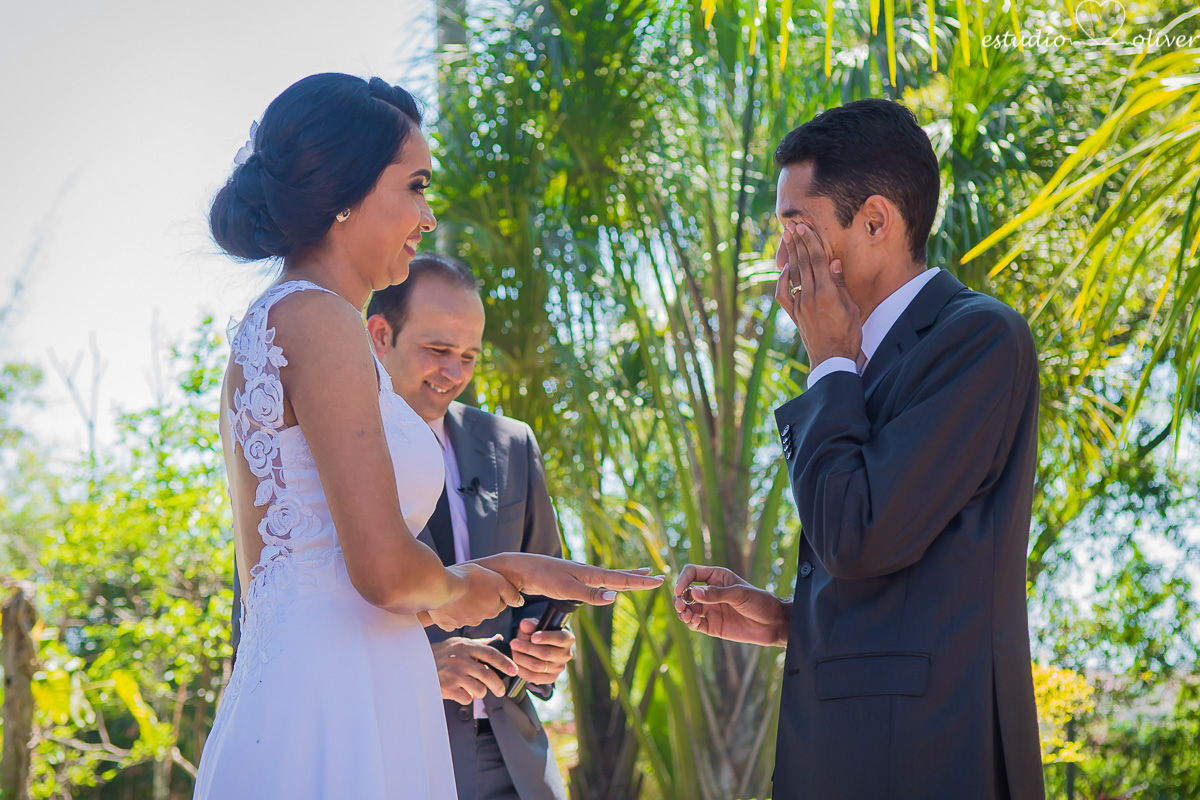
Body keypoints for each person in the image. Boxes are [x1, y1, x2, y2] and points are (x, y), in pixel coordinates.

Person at [197, 73, 661, 800]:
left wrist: (509, 569)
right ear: (346, 193)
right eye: (415, 186)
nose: (427, 214)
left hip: (312, 688)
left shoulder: (282, 322)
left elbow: (304, 564)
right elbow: (383, 573)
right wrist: (470, 586)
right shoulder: (321, 321)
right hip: (342, 708)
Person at [673, 99, 1045, 799]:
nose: (784, 255)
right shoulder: (853, 363)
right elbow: (898, 577)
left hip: (923, 764)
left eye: (798, 228)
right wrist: (789, 621)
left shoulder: (978, 340)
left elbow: (857, 536)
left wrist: (829, 363)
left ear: (875, 221)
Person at [365, 253, 570, 800]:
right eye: (437, 351)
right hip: (389, 762)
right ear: (380, 335)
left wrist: (545, 649)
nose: (454, 374)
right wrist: (414, 671)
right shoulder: (316, 453)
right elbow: (278, 633)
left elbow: (544, 593)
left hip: (515, 760)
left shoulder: (513, 443)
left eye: (468, 357)